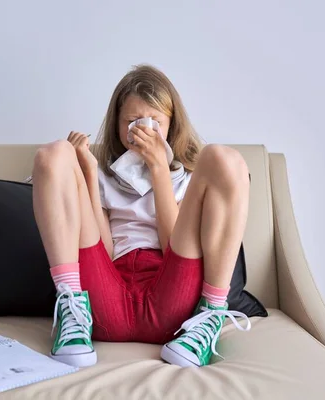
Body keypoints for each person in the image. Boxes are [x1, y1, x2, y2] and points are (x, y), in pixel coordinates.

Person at [32, 64, 251, 368]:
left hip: (170, 299)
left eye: (154, 122)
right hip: (106, 302)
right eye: (132, 121)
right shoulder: (107, 175)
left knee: (223, 158)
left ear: (171, 124)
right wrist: (88, 173)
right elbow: (104, 252)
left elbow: (172, 246)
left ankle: (211, 312)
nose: (143, 130)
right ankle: (71, 309)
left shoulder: (192, 179)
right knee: (54, 154)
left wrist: (159, 168)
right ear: (118, 124)